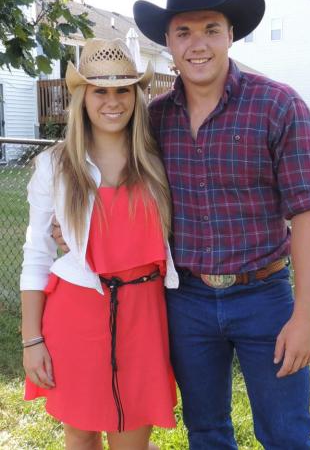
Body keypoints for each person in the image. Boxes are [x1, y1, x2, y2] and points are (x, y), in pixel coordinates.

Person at [132, 0, 310, 450]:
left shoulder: (279, 106)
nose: (198, 43)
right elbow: (112, 183)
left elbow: (307, 214)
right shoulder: (153, 120)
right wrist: (64, 221)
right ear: (169, 43)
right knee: (206, 431)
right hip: (187, 301)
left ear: (230, 35)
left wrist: (305, 316)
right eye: (184, 32)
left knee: (286, 435)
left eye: (210, 30)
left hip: (264, 296)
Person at [20, 37, 178, 450]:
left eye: (123, 89)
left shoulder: (160, 160)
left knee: (132, 438)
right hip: (75, 315)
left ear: (136, 95)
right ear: (82, 97)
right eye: (100, 90)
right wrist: (32, 339)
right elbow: (36, 254)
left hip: (144, 317)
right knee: (81, 433)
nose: (113, 101)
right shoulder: (54, 166)